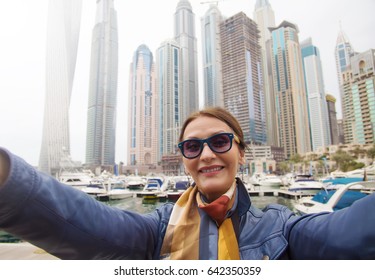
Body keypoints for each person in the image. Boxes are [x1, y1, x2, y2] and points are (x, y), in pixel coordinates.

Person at [0, 106, 374, 260]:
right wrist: (7, 179)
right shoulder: (158, 228)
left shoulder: (283, 227)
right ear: (185, 159)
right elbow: (84, 224)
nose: (207, 154)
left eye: (220, 142)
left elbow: (346, 235)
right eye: (193, 146)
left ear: (241, 153)